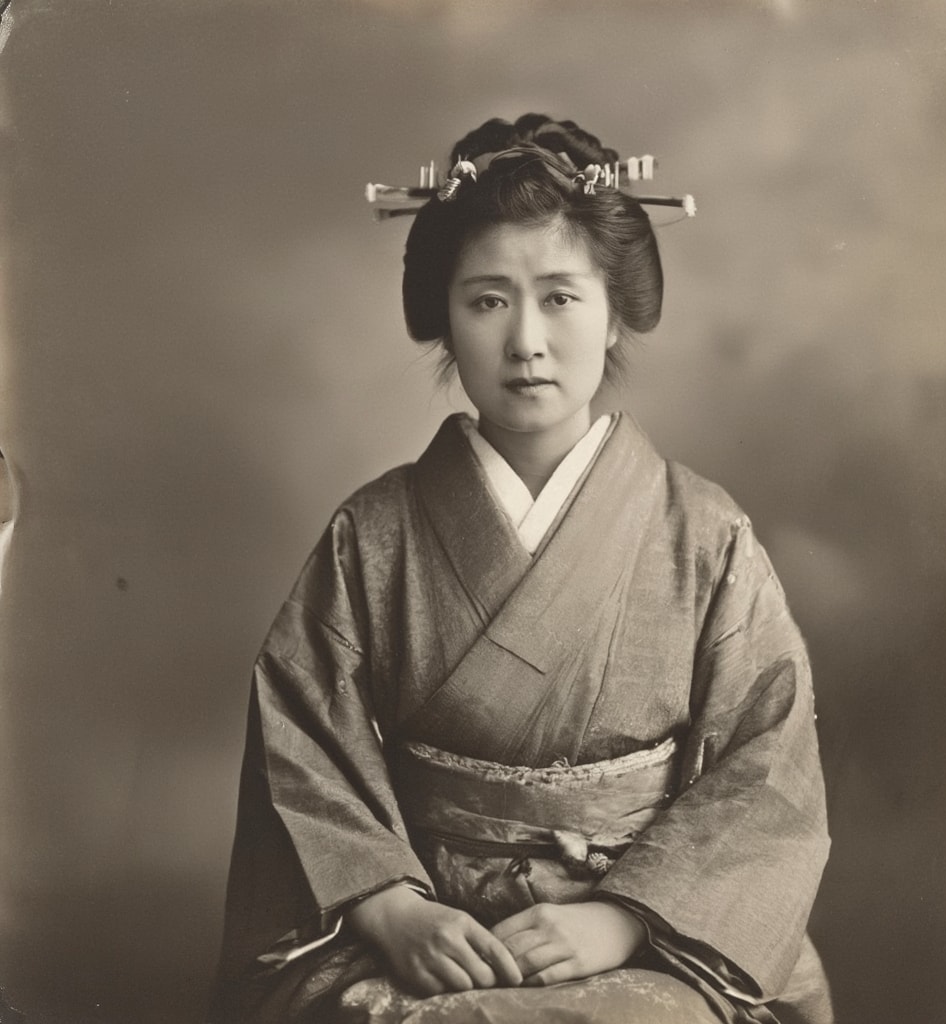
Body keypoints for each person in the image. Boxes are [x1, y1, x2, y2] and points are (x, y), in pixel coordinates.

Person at [210, 114, 832, 1024]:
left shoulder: (704, 534)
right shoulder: (374, 532)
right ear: (446, 321)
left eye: (561, 297)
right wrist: (388, 906)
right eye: (489, 300)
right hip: (426, 931)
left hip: (643, 936)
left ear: (616, 308)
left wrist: (623, 920)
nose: (526, 340)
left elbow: (766, 766)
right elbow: (301, 745)